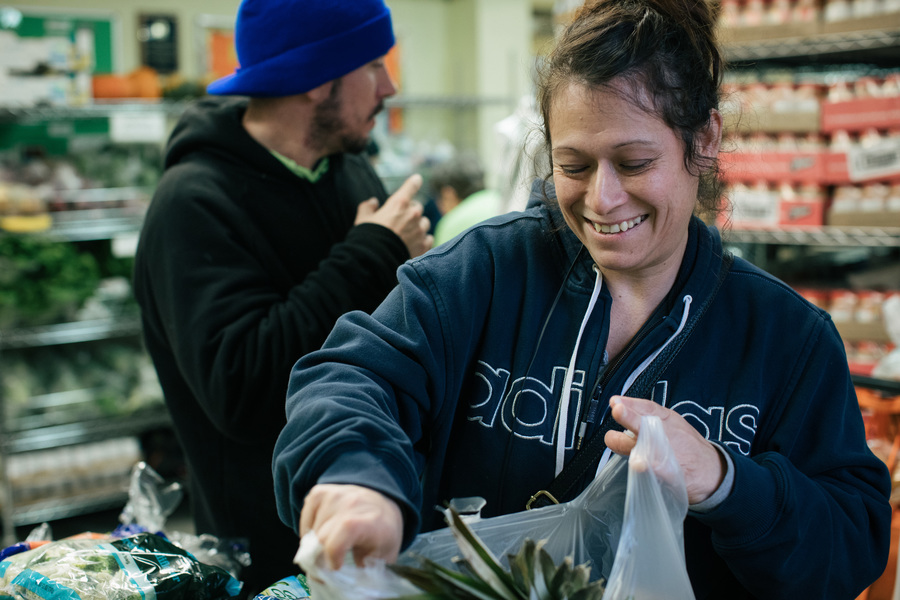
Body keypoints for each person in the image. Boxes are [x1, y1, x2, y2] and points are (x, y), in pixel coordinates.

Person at [272, 0, 893, 597]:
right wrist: (355, 478)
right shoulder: (485, 274)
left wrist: (725, 481)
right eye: (573, 166)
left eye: (633, 162)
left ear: (702, 141)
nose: (602, 198)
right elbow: (351, 378)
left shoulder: (787, 338)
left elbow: (849, 545)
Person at [132, 0, 432, 595]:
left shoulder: (349, 173)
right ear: (318, 81)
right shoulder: (193, 204)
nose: (389, 86)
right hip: (263, 561)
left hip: (377, 521)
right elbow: (242, 389)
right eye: (373, 65)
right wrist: (372, 253)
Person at [430, 152, 503, 246]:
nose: (440, 207)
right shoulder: (502, 200)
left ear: (448, 193)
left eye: (439, 200)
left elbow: (439, 260)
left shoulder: (452, 224)